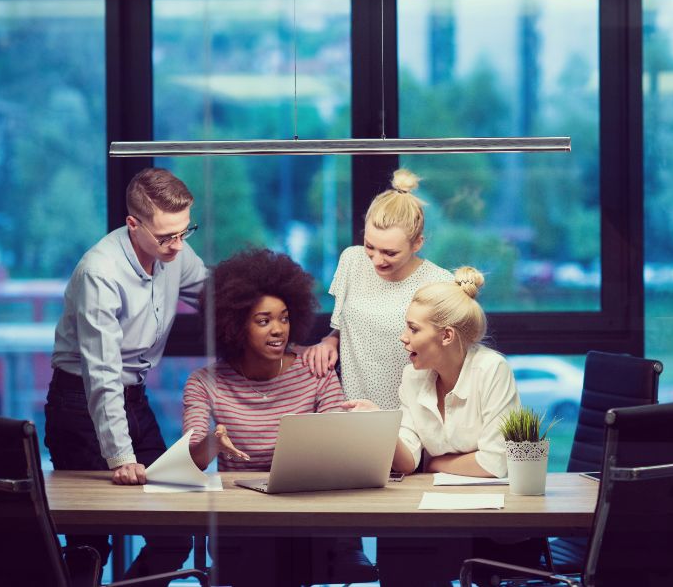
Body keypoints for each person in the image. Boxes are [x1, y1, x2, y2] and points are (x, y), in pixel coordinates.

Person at [44, 167, 203, 583]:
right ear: (133, 224)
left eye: (185, 232)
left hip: (134, 398)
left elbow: (214, 293)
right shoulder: (101, 271)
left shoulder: (176, 251)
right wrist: (121, 457)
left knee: (175, 531)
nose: (177, 245)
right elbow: (101, 372)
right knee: (90, 541)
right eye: (166, 236)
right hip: (79, 404)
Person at [342, 267, 543, 585]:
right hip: (437, 518)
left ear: (446, 335)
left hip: (493, 525)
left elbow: (495, 462)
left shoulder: (492, 370)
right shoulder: (413, 376)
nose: (403, 337)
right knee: (400, 547)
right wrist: (379, 423)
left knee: (414, 550)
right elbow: (408, 460)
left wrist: (434, 462)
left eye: (413, 328)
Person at [182, 248, 360, 586]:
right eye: (263, 321)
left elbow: (342, 440)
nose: (278, 330)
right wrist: (212, 443)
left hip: (307, 519)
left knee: (294, 549)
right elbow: (189, 462)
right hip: (242, 525)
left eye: (285, 317)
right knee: (261, 555)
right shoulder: (205, 382)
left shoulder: (314, 367)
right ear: (233, 325)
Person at [302, 167, 452, 409]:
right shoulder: (352, 260)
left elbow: (449, 357)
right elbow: (351, 326)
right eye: (370, 246)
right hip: (354, 409)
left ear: (417, 244)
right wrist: (330, 341)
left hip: (412, 415)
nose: (376, 260)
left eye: (390, 252)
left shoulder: (439, 282)